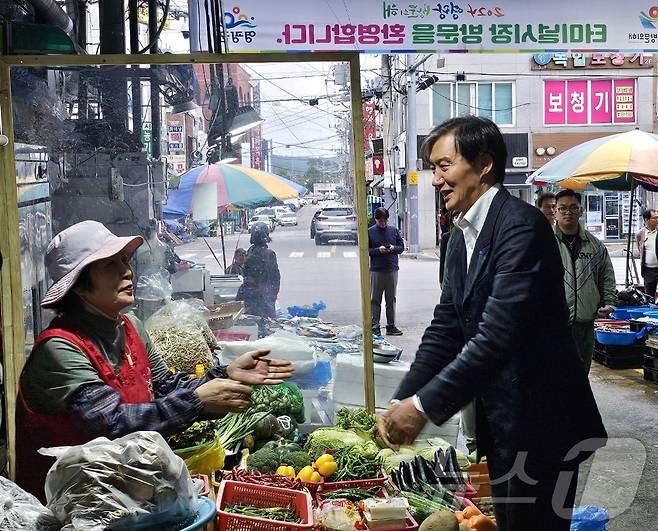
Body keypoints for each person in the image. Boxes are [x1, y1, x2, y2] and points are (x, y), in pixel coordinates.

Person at [377, 116, 607, 531]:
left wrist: (423, 407)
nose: (435, 180)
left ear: (483, 165)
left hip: (542, 423)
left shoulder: (521, 227)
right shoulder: (459, 234)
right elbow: (447, 326)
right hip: (505, 420)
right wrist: (404, 398)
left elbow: (496, 337)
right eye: (432, 168)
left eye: (444, 166)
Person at [15, 220, 293, 501]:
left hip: (120, 493)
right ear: (79, 287)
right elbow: (111, 425)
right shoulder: (59, 349)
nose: (127, 271)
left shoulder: (130, 327)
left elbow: (166, 386)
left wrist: (226, 374)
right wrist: (197, 402)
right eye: (110, 265)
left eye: (124, 260)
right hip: (67, 503)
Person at [554, 189, 617, 373]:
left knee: (582, 373)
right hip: (555, 322)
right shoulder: (544, 242)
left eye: (573, 207)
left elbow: (606, 276)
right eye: (563, 208)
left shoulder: (595, 245)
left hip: (585, 323)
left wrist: (610, 303)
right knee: (556, 374)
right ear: (555, 211)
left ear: (581, 211)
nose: (568, 212)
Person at [368, 207, 404, 336]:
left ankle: (391, 325)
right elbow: (366, 250)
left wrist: (393, 248)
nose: (383, 223)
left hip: (392, 269)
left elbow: (401, 248)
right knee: (375, 299)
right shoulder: (370, 232)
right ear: (376, 220)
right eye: (380, 221)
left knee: (391, 299)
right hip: (376, 270)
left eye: (385, 221)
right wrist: (378, 250)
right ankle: (375, 325)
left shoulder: (394, 231)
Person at [236, 224, 281, 318]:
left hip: (248, 295)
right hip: (263, 297)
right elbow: (275, 277)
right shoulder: (269, 254)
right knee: (266, 323)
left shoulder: (249, 252)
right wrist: (273, 295)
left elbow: (244, 272)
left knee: (251, 322)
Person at [636, 209, 658, 300]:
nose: (657, 219)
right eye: (654, 218)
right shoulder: (640, 234)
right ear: (646, 220)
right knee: (649, 296)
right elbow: (640, 249)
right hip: (649, 270)